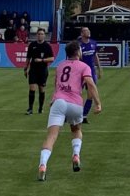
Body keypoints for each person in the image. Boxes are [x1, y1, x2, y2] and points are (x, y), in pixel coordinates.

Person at [38, 40, 103, 180]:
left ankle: (43, 165)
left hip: (59, 101)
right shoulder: (84, 66)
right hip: (75, 103)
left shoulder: (60, 66)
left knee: (51, 136)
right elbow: (90, 84)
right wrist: (98, 103)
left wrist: (52, 99)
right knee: (76, 130)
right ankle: (75, 155)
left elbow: (57, 84)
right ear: (78, 52)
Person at [25, 27, 54, 115]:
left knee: (42, 90)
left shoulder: (47, 46)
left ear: (44, 36)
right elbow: (28, 58)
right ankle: (30, 108)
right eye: (38, 34)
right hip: (33, 70)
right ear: (36, 35)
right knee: (32, 89)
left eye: (41, 34)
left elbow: (52, 58)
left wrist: (42, 60)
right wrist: (25, 68)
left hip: (43, 70)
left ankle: (40, 108)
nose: (40, 36)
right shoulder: (32, 45)